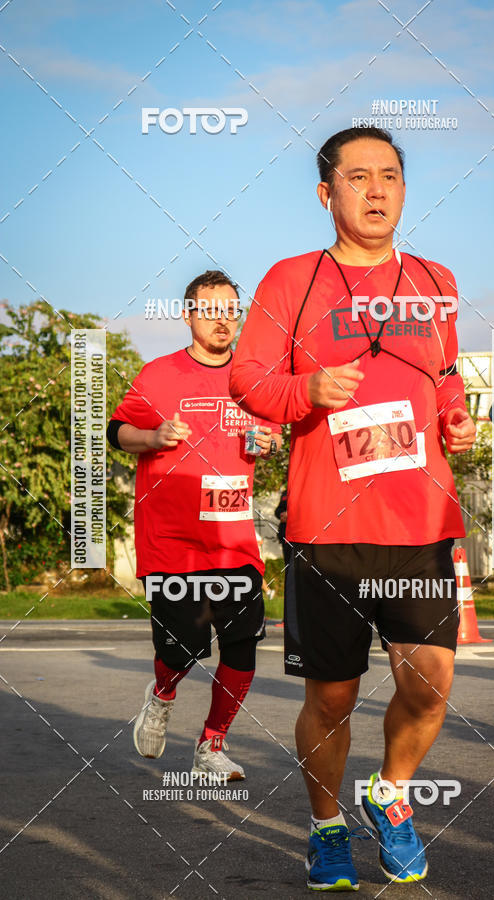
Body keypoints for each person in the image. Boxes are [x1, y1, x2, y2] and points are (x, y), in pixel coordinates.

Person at [230, 127, 476, 889]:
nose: (376, 190)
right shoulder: (290, 280)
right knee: (331, 697)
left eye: (391, 176)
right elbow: (248, 381)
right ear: (325, 191)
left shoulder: (435, 279)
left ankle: (391, 797)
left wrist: (457, 417)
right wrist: (306, 390)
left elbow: (445, 377)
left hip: (423, 523)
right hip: (327, 528)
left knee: (429, 683)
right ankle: (327, 826)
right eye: (359, 176)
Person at [107, 270, 281, 779]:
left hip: (232, 539)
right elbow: (118, 431)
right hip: (173, 540)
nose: (222, 319)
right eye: (210, 310)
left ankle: (211, 745)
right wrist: (154, 436)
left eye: (231, 309)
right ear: (188, 316)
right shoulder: (158, 374)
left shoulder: (254, 379)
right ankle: (161, 696)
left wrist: (266, 443)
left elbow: (263, 438)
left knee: (244, 643)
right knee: (181, 647)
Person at [274, 487, 291, 570]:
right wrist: (281, 514)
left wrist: (291, 515)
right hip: (285, 536)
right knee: (288, 566)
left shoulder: (306, 489)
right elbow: (278, 510)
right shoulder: (286, 492)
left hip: (301, 537)